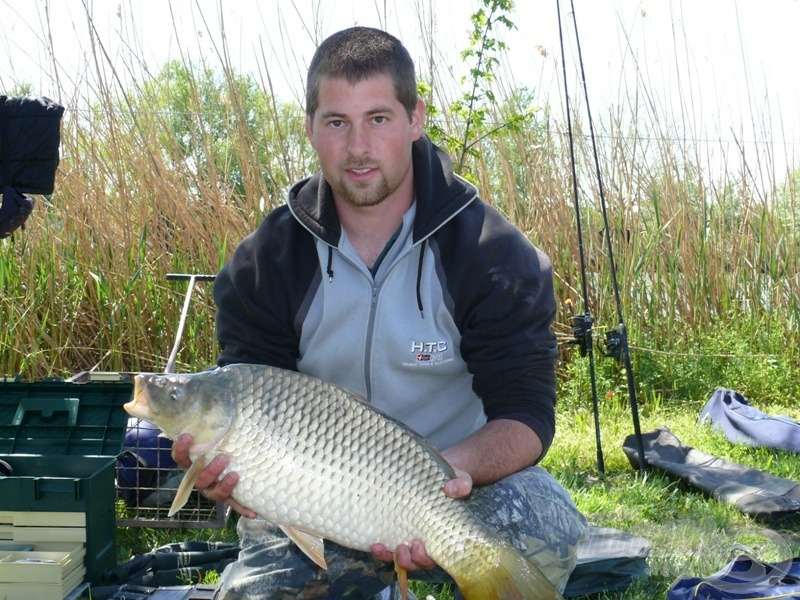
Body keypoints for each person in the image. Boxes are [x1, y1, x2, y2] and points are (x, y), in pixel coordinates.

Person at [172, 26, 586, 600]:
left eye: (379, 119)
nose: (358, 147)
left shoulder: (491, 254)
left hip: (456, 483)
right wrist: (236, 480)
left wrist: (436, 475)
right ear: (311, 128)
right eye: (337, 122)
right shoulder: (265, 261)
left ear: (415, 118)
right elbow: (250, 394)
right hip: (311, 492)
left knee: (548, 526)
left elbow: (527, 417)